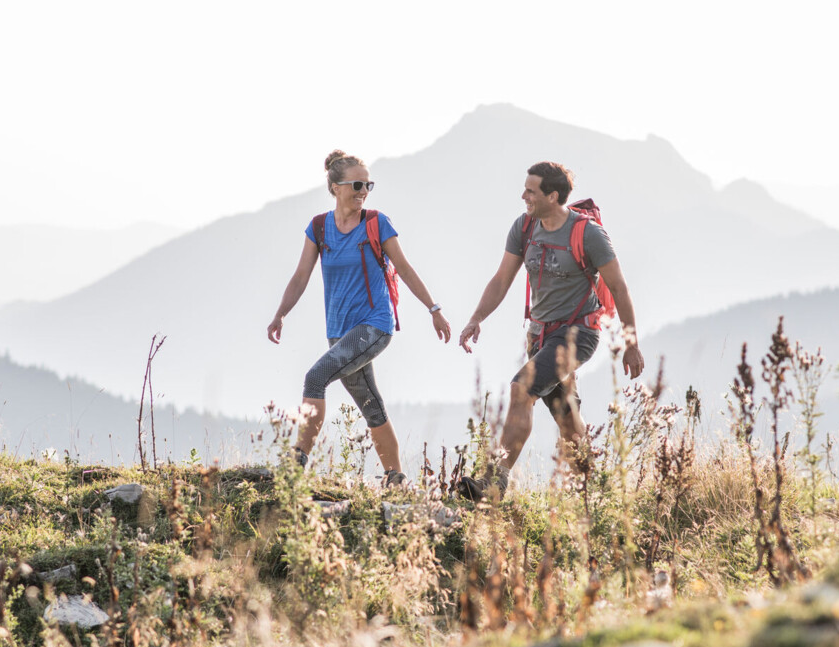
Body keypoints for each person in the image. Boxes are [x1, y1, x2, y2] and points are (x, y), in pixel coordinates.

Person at [457, 161, 644, 500]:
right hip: (539, 335)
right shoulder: (525, 227)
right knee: (567, 418)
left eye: (531, 190)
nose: (523, 195)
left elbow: (618, 287)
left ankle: (493, 483)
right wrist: (476, 318)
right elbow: (501, 280)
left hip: (578, 333)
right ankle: (594, 493)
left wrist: (631, 343)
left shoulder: (587, 233)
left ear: (552, 195)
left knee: (522, 389)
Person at [268, 150, 452, 486]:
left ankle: (295, 465)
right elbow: (300, 277)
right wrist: (281, 314)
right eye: (356, 184)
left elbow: (405, 268)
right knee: (371, 404)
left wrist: (433, 309)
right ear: (336, 187)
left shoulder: (376, 223)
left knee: (314, 378)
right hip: (338, 330)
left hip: (373, 325)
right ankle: (396, 479)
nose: (363, 190)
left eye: (368, 184)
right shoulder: (319, 227)